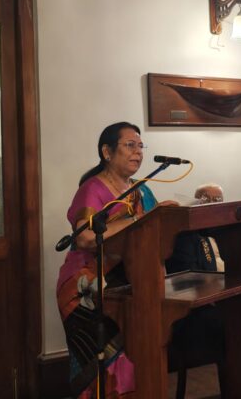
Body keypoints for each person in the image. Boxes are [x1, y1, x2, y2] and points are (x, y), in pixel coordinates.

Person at [56, 122, 165, 398]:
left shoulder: (141, 191)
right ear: (107, 152)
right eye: (130, 145)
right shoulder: (92, 188)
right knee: (101, 364)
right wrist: (137, 219)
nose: (138, 152)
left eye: (140, 146)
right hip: (86, 287)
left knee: (133, 358)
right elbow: (85, 238)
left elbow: (155, 230)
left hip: (129, 283)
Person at [166, 183, 225, 273]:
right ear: (196, 202)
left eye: (217, 200)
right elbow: (188, 273)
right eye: (206, 199)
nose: (212, 204)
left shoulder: (226, 230)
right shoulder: (185, 235)